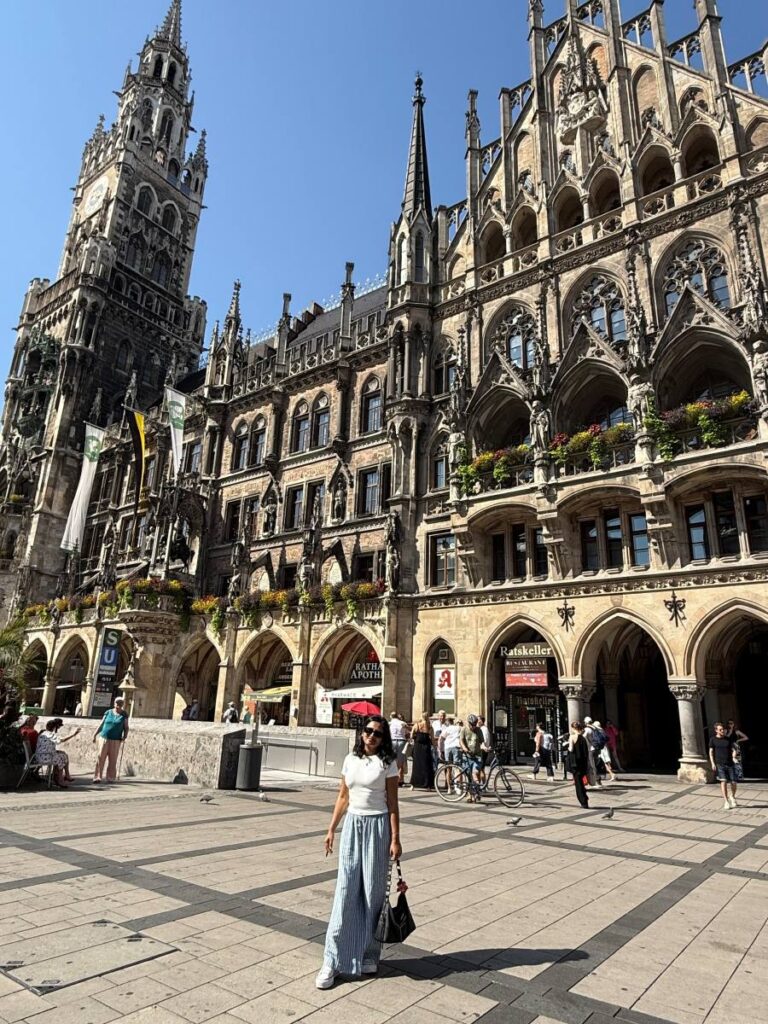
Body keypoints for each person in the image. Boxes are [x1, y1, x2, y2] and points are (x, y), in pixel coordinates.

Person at [317, 715, 401, 990]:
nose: (372, 736)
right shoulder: (350, 760)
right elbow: (343, 796)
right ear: (361, 733)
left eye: (377, 733)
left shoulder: (387, 763)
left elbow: (392, 804)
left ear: (383, 737)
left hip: (378, 827)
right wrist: (331, 829)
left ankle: (369, 954)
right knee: (345, 890)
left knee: (373, 893)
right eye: (368, 731)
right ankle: (331, 959)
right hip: (353, 825)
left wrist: (396, 839)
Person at [92, 697, 129, 783]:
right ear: (114, 703)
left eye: (120, 703)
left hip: (116, 739)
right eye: (117, 703)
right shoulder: (108, 712)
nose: (118, 705)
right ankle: (97, 776)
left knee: (113, 759)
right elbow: (101, 724)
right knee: (100, 757)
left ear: (122, 704)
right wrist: (94, 734)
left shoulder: (124, 715)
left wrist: (125, 736)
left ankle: (110, 777)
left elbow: (126, 727)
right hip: (104, 738)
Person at [37, 719, 80, 788]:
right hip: (45, 757)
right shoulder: (50, 734)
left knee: (63, 754)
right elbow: (62, 740)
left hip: (40, 755)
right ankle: (60, 779)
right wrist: (73, 734)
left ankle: (63, 776)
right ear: (54, 727)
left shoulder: (44, 733)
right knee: (62, 757)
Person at [709, 721, 738, 809]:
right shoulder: (713, 740)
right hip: (720, 764)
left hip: (730, 764)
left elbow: (734, 750)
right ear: (716, 730)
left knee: (733, 782)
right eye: (720, 730)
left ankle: (732, 796)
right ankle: (726, 801)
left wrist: (733, 757)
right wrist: (713, 763)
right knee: (723, 781)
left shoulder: (728, 739)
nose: (722, 731)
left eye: (723, 729)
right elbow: (711, 752)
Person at [460, 714, 485, 801]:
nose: (474, 727)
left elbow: (482, 742)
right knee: (468, 776)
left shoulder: (479, 730)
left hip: (477, 756)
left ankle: (477, 791)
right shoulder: (464, 729)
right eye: (472, 725)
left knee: (475, 773)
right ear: (469, 723)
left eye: (475, 724)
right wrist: (465, 748)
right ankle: (470, 794)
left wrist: (485, 747)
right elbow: (461, 741)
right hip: (466, 756)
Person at [409, 712, 435, 789]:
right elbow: (433, 739)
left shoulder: (416, 725)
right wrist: (435, 747)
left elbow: (411, 735)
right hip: (426, 747)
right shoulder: (430, 727)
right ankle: (428, 785)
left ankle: (413, 785)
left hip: (418, 746)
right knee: (427, 765)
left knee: (416, 765)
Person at [569, 721, 590, 809]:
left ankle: (583, 801)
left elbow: (571, 749)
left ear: (573, 728)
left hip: (575, 763)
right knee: (581, 781)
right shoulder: (583, 738)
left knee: (578, 783)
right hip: (583, 763)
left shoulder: (572, 737)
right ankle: (585, 798)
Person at [389, 713, 409, 785]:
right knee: (401, 761)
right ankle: (398, 778)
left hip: (393, 741)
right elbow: (408, 732)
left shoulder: (390, 723)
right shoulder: (402, 723)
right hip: (401, 741)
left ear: (391, 716)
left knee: (392, 760)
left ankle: (393, 776)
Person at [582, 717, 600, 787]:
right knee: (594, 765)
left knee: (592, 766)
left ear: (586, 722)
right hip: (595, 748)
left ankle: (594, 781)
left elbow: (583, 737)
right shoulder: (594, 728)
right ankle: (595, 780)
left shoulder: (587, 729)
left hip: (590, 749)